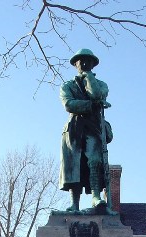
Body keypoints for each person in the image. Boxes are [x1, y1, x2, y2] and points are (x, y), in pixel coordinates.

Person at [59, 48, 113, 212]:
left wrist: (89, 78)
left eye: (87, 60)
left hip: (94, 126)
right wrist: (91, 106)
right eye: (80, 60)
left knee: (95, 160)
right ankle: (74, 204)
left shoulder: (101, 85)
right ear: (75, 64)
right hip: (74, 128)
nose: (83, 63)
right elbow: (69, 104)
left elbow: (97, 95)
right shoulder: (67, 86)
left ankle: (96, 197)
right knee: (74, 166)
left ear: (93, 64)